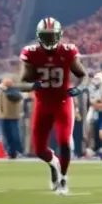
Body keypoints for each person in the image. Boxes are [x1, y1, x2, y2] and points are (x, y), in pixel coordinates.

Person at [17, 17, 88, 194]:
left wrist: (79, 89)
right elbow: (22, 82)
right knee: (40, 149)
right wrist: (33, 85)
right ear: (39, 37)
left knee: (65, 142)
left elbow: (83, 76)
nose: (49, 40)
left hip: (62, 103)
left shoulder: (68, 50)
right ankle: (53, 164)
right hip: (42, 104)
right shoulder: (31, 53)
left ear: (59, 35)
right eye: (45, 36)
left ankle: (63, 178)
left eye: (52, 36)